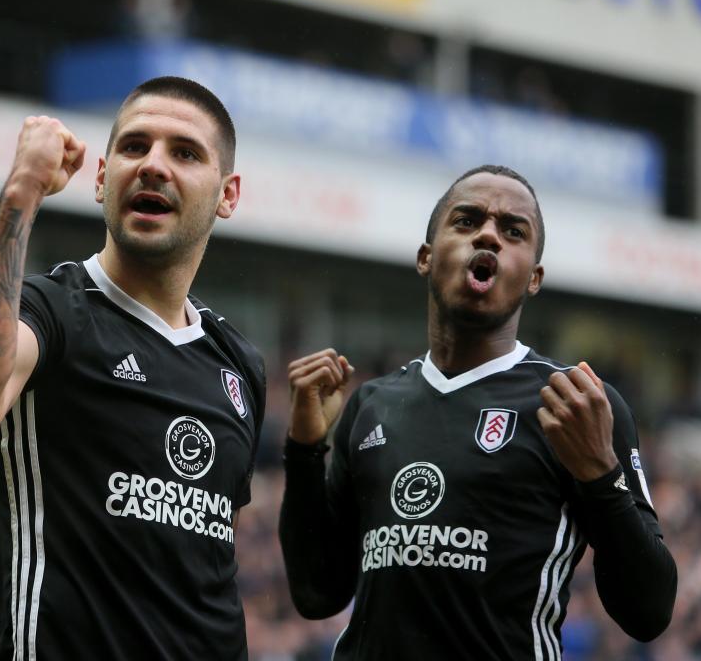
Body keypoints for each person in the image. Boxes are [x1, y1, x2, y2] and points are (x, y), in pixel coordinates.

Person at [0, 76, 265, 660]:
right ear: (102, 178)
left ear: (228, 194)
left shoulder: (239, 364)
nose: (153, 165)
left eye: (184, 153)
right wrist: (22, 194)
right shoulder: (52, 311)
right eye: (135, 147)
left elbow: (205, 577)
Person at [279, 165, 677, 659]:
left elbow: (649, 612)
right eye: (467, 221)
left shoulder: (575, 401)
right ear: (426, 258)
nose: (488, 234)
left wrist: (602, 475)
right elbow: (317, 594)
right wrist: (303, 451)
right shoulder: (371, 404)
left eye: (513, 231)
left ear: (533, 278)